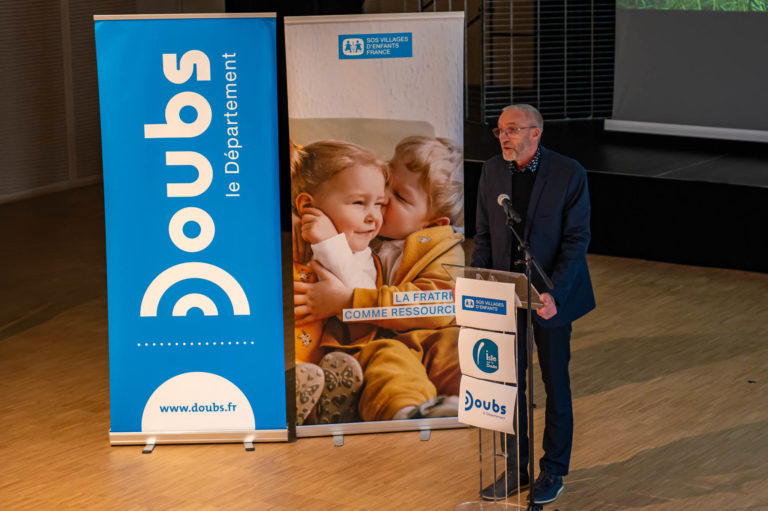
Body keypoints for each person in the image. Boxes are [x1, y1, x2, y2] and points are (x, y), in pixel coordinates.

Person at [472, 104, 595, 504]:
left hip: (550, 300)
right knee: (511, 386)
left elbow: (576, 240)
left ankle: (553, 470)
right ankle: (516, 469)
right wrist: (479, 287)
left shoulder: (568, 172)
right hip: (506, 300)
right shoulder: (492, 171)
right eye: (500, 131)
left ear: (535, 133)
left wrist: (554, 293)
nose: (503, 137)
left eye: (511, 130)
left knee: (555, 384)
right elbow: (484, 235)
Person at [294, 135, 465, 421]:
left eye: (397, 197)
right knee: (391, 360)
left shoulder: (444, 248)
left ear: (434, 223)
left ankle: (471, 403)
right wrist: (298, 219)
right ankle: (410, 414)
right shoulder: (364, 231)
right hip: (381, 344)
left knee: (459, 345)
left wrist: (348, 301)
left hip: (427, 338)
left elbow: (436, 308)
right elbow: (322, 184)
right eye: (387, 180)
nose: (381, 199)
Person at [290, 140, 388, 424]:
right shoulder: (288, 238)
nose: (373, 217)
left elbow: (367, 300)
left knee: (333, 370)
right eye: (359, 203)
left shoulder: (360, 256)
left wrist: (331, 244)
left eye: (379, 204)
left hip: (323, 358)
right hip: (283, 355)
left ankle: (325, 408)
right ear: (308, 206)